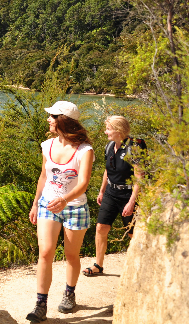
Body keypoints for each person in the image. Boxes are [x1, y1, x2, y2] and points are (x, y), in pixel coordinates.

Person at [27, 101, 95, 323]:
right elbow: (44, 177)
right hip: (48, 204)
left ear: (64, 120)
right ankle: (40, 304)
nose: (48, 119)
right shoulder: (46, 145)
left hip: (75, 208)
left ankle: (69, 293)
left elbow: (83, 183)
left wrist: (65, 200)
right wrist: (36, 203)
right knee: (45, 252)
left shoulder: (85, 150)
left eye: (53, 116)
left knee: (71, 255)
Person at [83, 115, 146, 277]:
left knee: (133, 233)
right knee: (101, 228)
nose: (106, 132)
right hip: (111, 192)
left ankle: (138, 268)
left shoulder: (135, 147)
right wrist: (102, 191)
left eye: (109, 129)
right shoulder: (110, 145)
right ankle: (98, 265)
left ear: (119, 130)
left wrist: (132, 202)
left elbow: (140, 177)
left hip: (129, 195)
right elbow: (107, 170)